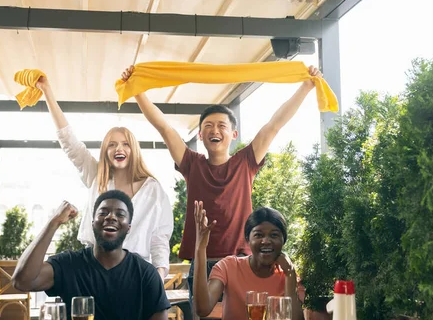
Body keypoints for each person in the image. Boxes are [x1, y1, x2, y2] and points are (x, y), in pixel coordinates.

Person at [121, 64, 321, 293]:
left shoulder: (246, 162)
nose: (215, 130)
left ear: (233, 134)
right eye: (208, 126)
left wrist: (306, 86)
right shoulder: (192, 164)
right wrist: (137, 90)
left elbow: (274, 125)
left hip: (241, 261)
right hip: (202, 261)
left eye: (221, 126)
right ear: (200, 135)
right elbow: (164, 128)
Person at [35, 76, 173, 279]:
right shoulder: (97, 176)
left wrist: (159, 276)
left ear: (133, 149)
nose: (119, 148)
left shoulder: (153, 189)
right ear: (105, 151)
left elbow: (160, 237)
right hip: (94, 268)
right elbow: (69, 142)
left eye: (125, 144)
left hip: (136, 273)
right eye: (112, 144)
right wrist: (46, 91)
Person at [12, 190, 170, 320]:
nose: (111, 217)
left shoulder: (146, 274)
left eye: (120, 214)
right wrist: (55, 222)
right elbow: (21, 281)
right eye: (103, 212)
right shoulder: (68, 264)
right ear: (93, 222)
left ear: (128, 228)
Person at [192, 201, 304, 320]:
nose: (266, 241)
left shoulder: (289, 274)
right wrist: (200, 248)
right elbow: (202, 309)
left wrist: (290, 274)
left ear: (283, 240)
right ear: (248, 239)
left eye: (274, 235)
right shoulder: (228, 266)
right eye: (258, 235)